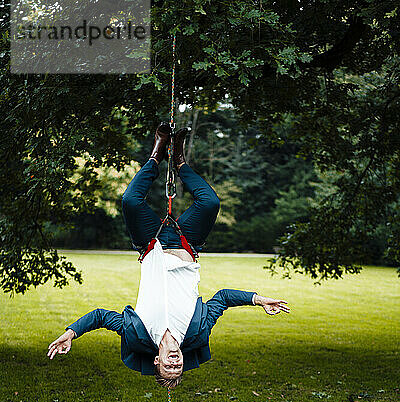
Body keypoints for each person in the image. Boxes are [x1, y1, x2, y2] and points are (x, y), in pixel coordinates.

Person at [48, 123, 290, 388]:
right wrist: (258, 299)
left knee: (130, 200)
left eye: (168, 366)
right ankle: (180, 162)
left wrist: (71, 333)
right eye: (178, 367)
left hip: (150, 243)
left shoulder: (136, 334)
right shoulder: (197, 332)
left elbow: (101, 317)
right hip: (186, 244)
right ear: (184, 360)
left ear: (156, 361)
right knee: (210, 203)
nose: (174, 363)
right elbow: (222, 298)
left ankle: (156, 154)